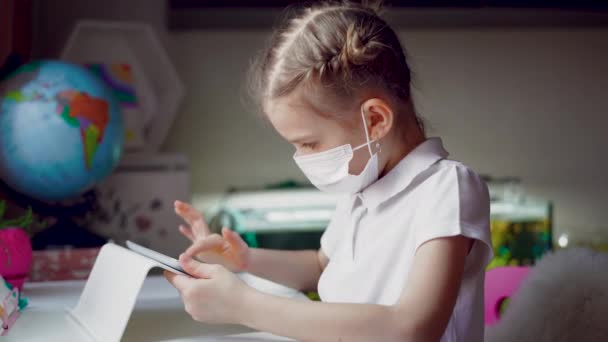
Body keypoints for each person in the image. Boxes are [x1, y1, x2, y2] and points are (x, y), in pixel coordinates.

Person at [165, 2, 493, 341]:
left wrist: (241, 305)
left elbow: (411, 328)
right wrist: (244, 259)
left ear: (376, 120)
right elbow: (321, 266)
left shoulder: (447, 188)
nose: (301, 158)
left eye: (309, 143)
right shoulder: (362, 189)